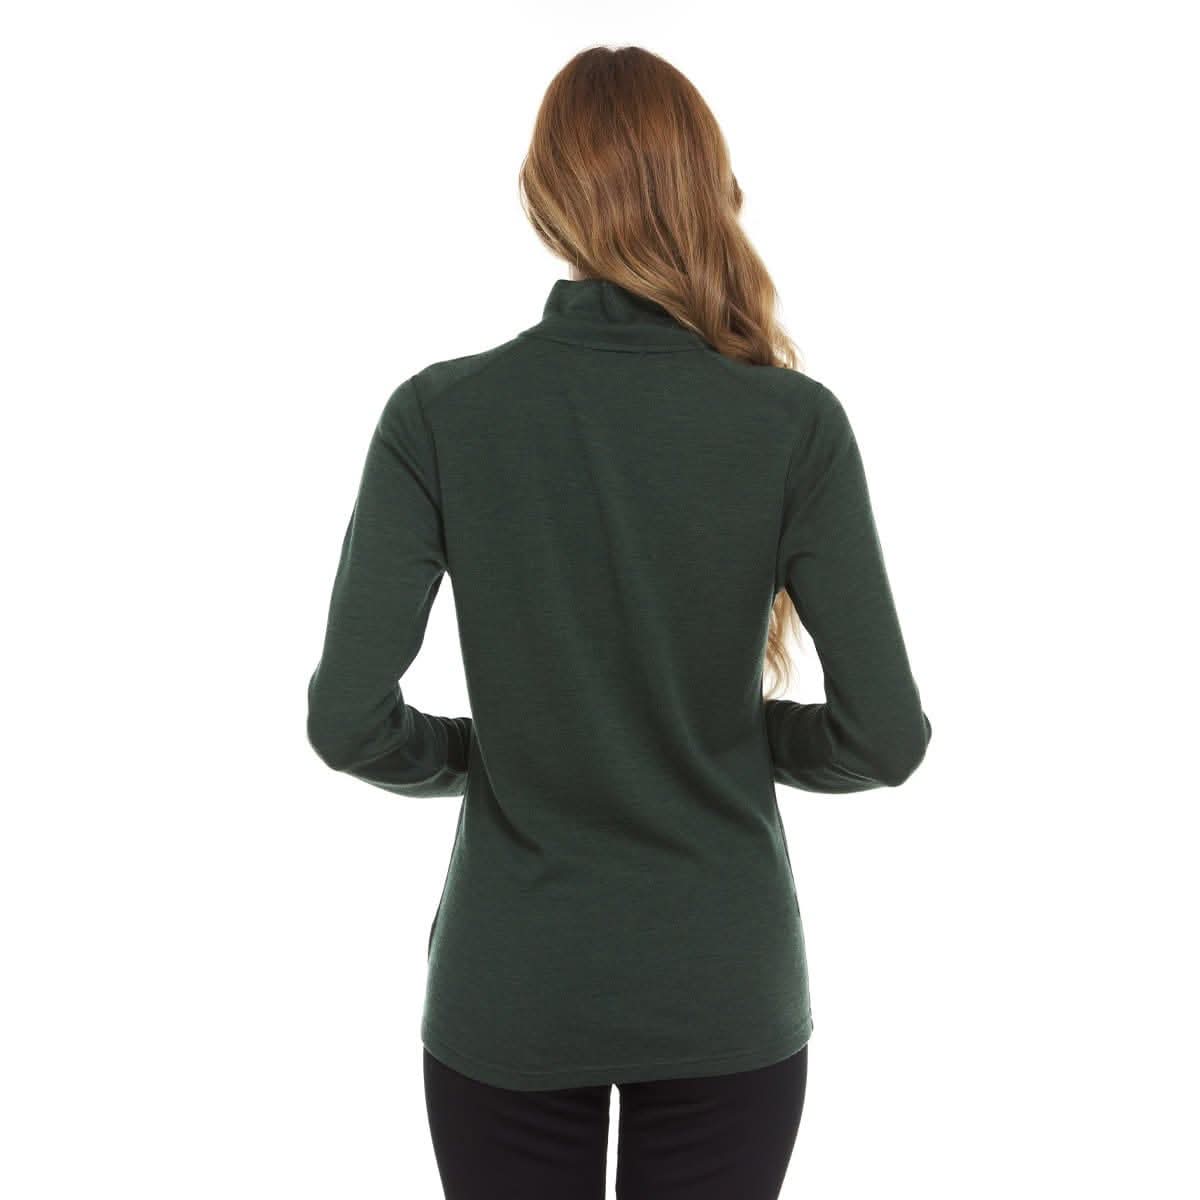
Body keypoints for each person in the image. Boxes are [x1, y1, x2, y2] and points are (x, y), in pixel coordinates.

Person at [306, 43, 931, 1200]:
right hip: (722, 986)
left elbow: (348, 722)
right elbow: (884, 738)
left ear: (546, 197)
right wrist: (732, 735)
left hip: (511, 985)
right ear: (711, 187)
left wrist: (499, 753)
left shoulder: (439, 415)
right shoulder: (794, 424)